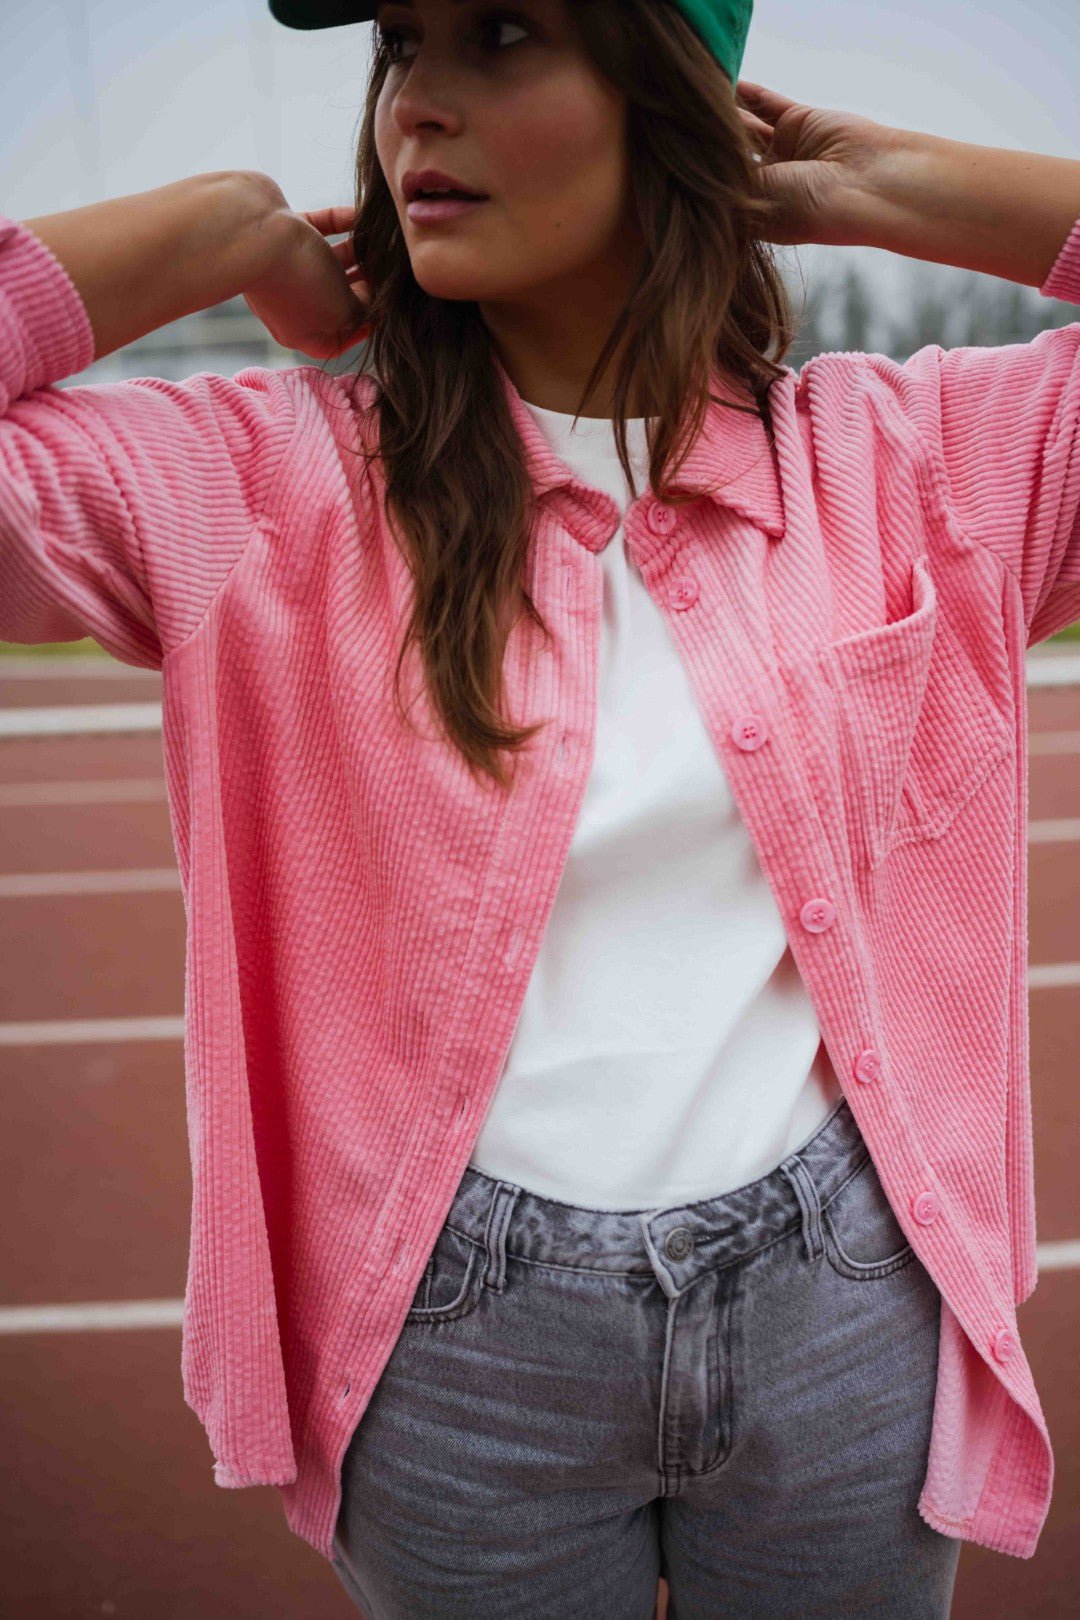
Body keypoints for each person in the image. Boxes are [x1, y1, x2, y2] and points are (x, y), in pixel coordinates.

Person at [2, 0, 1078, 1613]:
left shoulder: (912, 460)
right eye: (402, 45)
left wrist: (892, 187)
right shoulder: (260, 487)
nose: (417, 105)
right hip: (452, 1341)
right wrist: (217, 229)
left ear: (664, 95)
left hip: (847, 1302)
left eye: (500, 33)